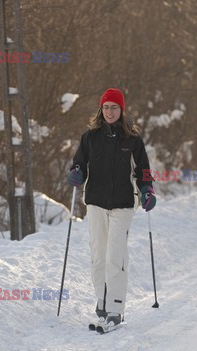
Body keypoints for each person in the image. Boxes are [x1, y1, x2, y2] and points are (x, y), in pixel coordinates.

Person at [67, 88, 156, 330]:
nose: (109, 112)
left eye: (114, 107)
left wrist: (147, 190)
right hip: (95, 203)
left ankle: (116, 308)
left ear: (121, 110)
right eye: (106, 107)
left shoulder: (133, 141)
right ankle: (102, 303)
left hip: (123, 205)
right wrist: (76, 173)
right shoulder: (90, 137)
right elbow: (79, 164)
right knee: (98, 257)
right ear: (100, 109)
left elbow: (143, 171)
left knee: (114, 257)